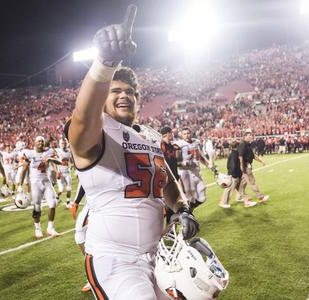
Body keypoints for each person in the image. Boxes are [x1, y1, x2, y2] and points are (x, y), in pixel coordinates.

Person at [64, 5, 199, 298]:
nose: (124, 95)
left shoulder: (150, 136)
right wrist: (105, 62)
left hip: (157, 256)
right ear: (103, 98)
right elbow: (82, 117)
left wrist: (181, 208)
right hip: (115, 260)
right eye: (115, 91)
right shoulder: (97, 133)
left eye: (130, 92)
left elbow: (165, 179)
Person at [19, 136, 61, 238]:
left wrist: (51, 159)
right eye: (39, 141)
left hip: (46, 181)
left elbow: (60, 162)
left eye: (42, 141)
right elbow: (24, 169)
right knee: (37, 206)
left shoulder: (49, 152)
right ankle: (37, 228)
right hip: (35, 183)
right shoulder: (30, 153)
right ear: (34, 143)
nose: (41, 143)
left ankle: (50, 228)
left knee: (53, 203)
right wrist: (20, 185)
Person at [175, 127, 214, 210]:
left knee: (202, 197)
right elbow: (175, 162)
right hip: (186, 174)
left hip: (196, 172)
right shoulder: (179, 145)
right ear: (181, 135)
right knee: (189, 198)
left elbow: (199, 156)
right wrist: (185, 163)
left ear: (191, 133)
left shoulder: (196, 142)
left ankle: (189, 209)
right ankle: (186, 212)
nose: (187, 135)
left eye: (188, 133)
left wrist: (208, 165)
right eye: (184, 134)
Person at [238, 130, 269, 206]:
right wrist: (242, 167)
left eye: (251, 135)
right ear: (245, 136)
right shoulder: (243, 144)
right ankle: (260, 197)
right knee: (252, 182)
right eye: (249, 135)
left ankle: (239, 197)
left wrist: (261, 161)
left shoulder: (247, 144)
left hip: (247, 165)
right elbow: (240, 156)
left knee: (242, 183)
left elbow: (253, 156)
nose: (251, 136)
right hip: (245, 166)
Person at [219, 141, 245, 208]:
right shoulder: (234, 154)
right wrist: (231, 175)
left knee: (240, 186)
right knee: (229, 189)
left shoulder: (235, 153)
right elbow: (232, 166)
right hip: (234, 175)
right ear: (237, 147)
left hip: (237, 174)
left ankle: (239, 198)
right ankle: (223, 202)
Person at [55, 138, 74, 207]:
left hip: (67, 172)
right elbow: (53, 162)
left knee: (69, 188)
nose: (64, 145)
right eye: (62, 143)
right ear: (60, 144)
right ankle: (56, 197)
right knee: (61, 189)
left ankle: (68, 202)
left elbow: (71, 161)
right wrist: (57, 171)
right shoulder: (57, 151)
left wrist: (72, 164)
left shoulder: (69, 151)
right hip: (60, 173)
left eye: (65, 143)